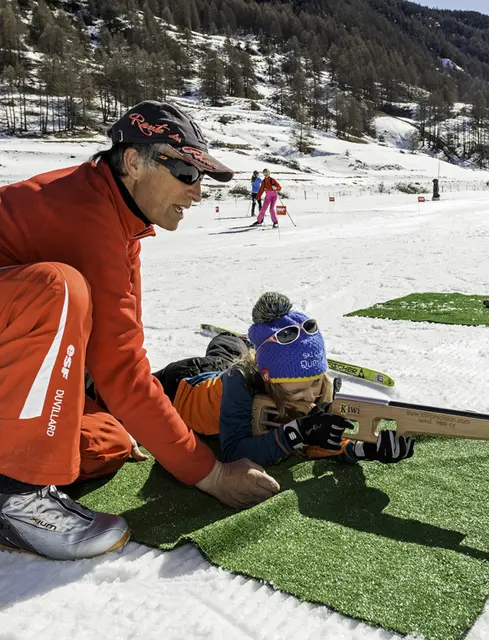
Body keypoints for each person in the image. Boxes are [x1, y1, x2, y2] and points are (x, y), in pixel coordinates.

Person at [0, 101, 280, 561]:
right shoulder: (84, 215)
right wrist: (209, 474)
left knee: (106, 441)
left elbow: (122, 355)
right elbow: (120, 372)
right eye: (187, 173)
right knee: (59, 289)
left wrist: (155, 433)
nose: (197, 192)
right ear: (133, 162)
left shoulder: (119, 222)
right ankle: (15, 495)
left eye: (202, 177)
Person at [153, 292, 415, 467]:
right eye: (299, 389)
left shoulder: (317, 388)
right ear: (272, 381)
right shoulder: (240, 382)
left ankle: (242, 345)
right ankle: (238, 344)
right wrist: (296, 432)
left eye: (316, 382)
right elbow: (233, 452)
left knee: (232, 350)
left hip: (240, 365)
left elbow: (324, 441)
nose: (312, 396)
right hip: (185, 382)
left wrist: (367, 449)